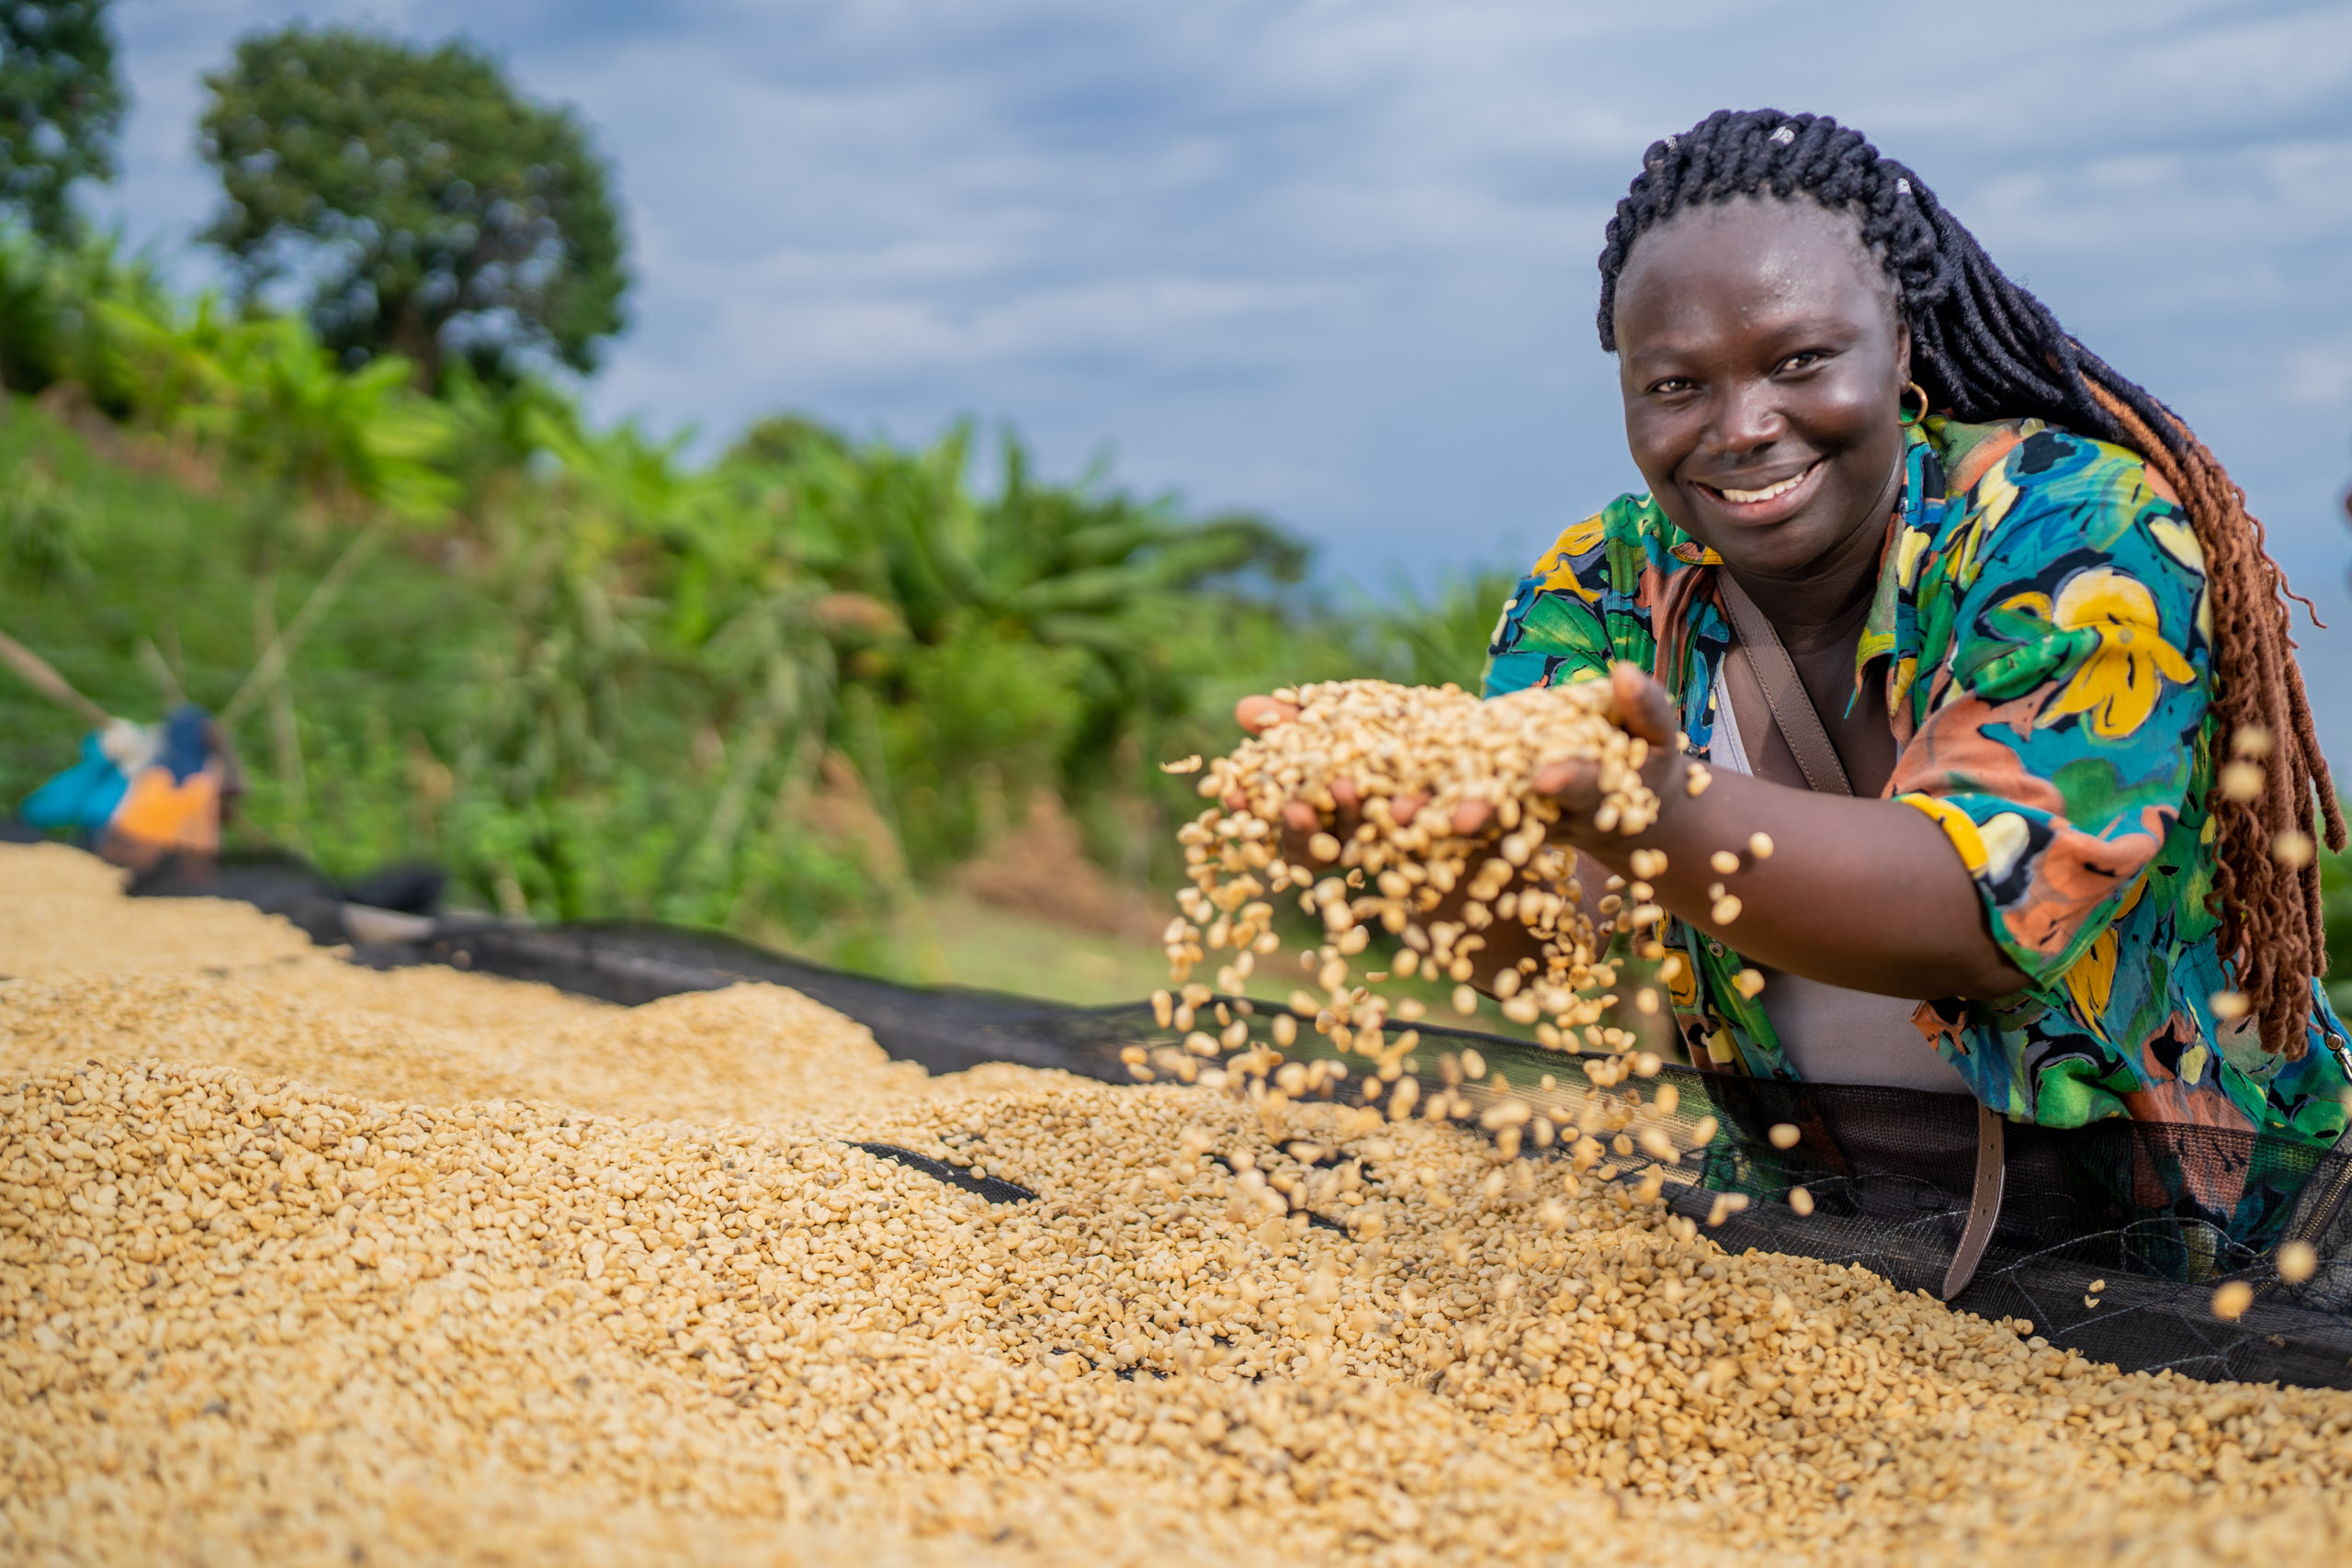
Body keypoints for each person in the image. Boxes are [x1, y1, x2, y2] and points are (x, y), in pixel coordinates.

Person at [1241, 109, 2350, 1247]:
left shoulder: (2070, 531)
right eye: (1675, 385)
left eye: (1798, 361)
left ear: (1900, 346)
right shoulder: (1602, 587)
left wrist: (1654, 807)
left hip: (2209, 1250)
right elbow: (1543, 941)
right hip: (1819, 1241)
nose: (1741, 427)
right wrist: (1408, 859)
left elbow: (1983, 908)